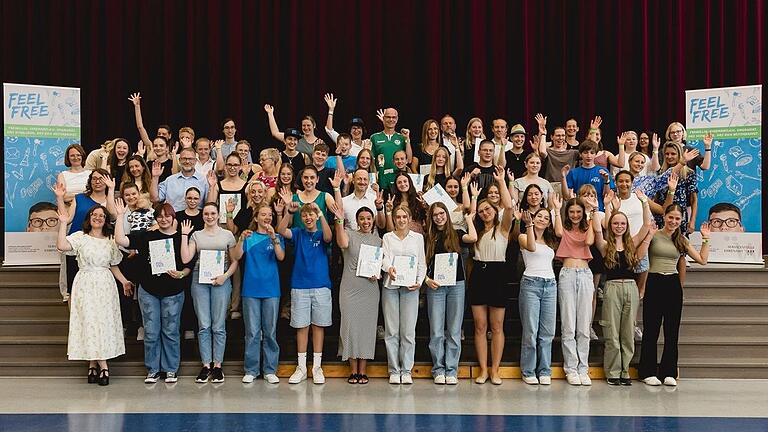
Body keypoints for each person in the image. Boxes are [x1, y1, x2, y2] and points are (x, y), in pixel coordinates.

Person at [114, 201, 192, 384]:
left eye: (167, 216)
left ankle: (171, 369)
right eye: (160, 216)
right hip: (148, 291)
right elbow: (121, 240)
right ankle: (153, 369)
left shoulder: (182, 237)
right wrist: (119, 216)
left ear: (173, 218)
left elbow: (188, 265)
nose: (163, 219)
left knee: (171, 331)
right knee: (151, 331)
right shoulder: (147, 236)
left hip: (173, 291)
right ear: (155, 218)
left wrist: (181, 273)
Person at [56, 204, 131, 386]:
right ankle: (103, 366)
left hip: (105, 284)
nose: (98, 218)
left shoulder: (110, 241)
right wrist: (63, 223)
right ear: (89, 218)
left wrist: (124, 281)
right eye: (94, 215)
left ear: (105, 221)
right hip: (85, 283)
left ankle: (92, 364)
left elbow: (113, 265)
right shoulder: (80, 237)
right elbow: (61, 245)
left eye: (102, 216)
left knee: (102, 323)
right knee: (89, 322)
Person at [640, 204, 710, 387]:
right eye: (671, 217)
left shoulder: (682, 240)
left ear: (681, 221)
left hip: (672, 285)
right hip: (654, 283)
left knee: (672, 332)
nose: (673, 221)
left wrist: (706, 239)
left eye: (677, 219)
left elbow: (702, 260)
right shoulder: (654, 235)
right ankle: (647, 371)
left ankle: (669, 371)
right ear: (665, 217)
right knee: (651, 330)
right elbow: (641, 258)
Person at [593, 210, 654, 386]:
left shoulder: (631, 243)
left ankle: (624, 371)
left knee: (628, 332)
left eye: (622, 223)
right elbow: (597, 230)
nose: (619, 226)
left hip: (630, 287)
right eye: (615, 223)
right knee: (612, 332)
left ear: (626, 226)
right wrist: (600, 208)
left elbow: (645, 225)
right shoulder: (605, 245)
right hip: (612, 288)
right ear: (610, 225)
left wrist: (644, 203)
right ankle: (612, 371)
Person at [276, 201, 333, 385]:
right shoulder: (298, 233)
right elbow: (281, 229)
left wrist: (321, 213)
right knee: (302, 326)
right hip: (300, 285)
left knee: (318, 325)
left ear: (316, 216)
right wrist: (289, 213)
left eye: (312, 214)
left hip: (321, 285)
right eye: (305, 215)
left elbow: (328, 237)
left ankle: (317, 366)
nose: (308, 218)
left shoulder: (320, 232)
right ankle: (301, 367)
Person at [180, 203, 238, 384]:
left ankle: (218, 366)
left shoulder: (227, 235)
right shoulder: (196, 235)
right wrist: (184, 235)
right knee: (204, 325)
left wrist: (225, 276)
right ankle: (206, 365)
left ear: (218, 215)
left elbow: (235, 260)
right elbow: (186, 258)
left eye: (213, 213)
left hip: (221, 279)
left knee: (218, 325)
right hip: (200, 280)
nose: (210, 216)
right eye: (206, 214)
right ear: (203, 216)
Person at [469, 167, 515, 385]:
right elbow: (469, 213)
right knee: (480, 325)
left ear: (494, 211)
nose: (484, 212)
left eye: (488, 209)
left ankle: (495, 370)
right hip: (479, 273)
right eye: (481, 211)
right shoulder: (475, 232)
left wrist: (502, 181)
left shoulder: (503, 228)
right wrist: (473, 198)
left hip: (498, 274)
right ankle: (483, 369)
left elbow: (510, 206)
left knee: (497, 326)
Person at [329, 204, 383, 384]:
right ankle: (353, 370)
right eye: (362, 219)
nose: (366, 222)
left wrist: (380, 272)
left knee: (367, 329)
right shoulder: (349, 234)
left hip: (370, 289)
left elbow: (382, 263)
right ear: (357, 221)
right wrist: (339, 220)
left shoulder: (379, 240)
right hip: (350, 289)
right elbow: (342, 243)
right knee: (350, 327)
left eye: (369, 218)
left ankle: (363, 369)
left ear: (373, 220)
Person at [424, 203, 477, 384]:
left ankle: (451, 370)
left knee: (454, 330)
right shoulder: (428, 237)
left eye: (441, 214)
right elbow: (421, 262)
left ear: (447, 215)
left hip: (456, 285)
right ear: (431, 218)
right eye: (435, 215)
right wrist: (426, 279)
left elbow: (473, 237)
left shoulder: (457, 233)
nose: (439, 217)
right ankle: (438, 369)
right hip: (435, 286)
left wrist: (469, 219)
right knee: (437, 330)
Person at [231, 205, 285, 384]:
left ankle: (270, 369)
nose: (267, 217)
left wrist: (273, 238)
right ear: (256, 218)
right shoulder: (249, 236)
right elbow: (237, 256)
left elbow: (281, 257)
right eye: (263, 214)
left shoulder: (276, 237)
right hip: (251, 290)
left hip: (271, 290)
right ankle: (251, 369)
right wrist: (240, 240)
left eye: (270, 215)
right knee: (252, 332)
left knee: (270, 331)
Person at [381, 205, 427, 385]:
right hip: (390, 287)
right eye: (397, 217)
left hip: (410, 288)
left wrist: (419, 281)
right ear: (393, 219)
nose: (401, 220)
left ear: (409, 219)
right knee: (392, 331)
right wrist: (388, 268)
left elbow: (421, 263)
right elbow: (384, 258)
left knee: (408, 331)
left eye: (404, 217)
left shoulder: (417, 238)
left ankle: (406, 370)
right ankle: (394, 369)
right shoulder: (387, 237)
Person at [555, 197, 595, 386]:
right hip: (567, 274)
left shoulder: (588, 228)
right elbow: (556, 231)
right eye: (572, 212)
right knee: (569, 325)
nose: (575, 215)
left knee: (584, 326)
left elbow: (589, 241)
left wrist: (591, 214)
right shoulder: (563, 228)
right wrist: (556, 209)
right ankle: (571, 368)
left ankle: (583, 368)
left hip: (585, 274)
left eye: (579, 211)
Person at [517, 208, 559, 385]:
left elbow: (560, 232)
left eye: (546, 218)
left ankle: (544, 370)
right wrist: (529, 225)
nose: (542, 219)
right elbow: (532, 247)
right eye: (539, 216)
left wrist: (556, 210)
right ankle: (528, 370)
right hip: (531, 284)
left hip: (550, 285)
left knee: (547, 332)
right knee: (531, 331)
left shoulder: (550, 241)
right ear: (533, 218)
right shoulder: (523, 235)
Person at [150, 147, 212, 212]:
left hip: (196, 219)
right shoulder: (170, 180)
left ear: (195, 161)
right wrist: (155, 177)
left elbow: (209, 205)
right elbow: (154, 199)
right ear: (179, 160)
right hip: (174, 219)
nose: (187, 161)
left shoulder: (204, 181)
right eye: (184, 159)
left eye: (190, 159)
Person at [562, 139, 617, 211]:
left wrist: (606, 181)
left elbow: (607, 196)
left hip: (599, 210)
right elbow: (566, 197)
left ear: (596, 154)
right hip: (579, 212)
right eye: (585, 153)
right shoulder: (573, 172)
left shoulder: (603, 171)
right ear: (580, 154)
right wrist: (563, 177)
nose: (589, 156)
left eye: (592, 153)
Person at [371, 108, 413, 190]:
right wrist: (374, 178)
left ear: (397, 119)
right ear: (383, 119)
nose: (391, 119)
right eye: (388, 117)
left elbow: (409, 160)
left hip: (399, 181)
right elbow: (372, 162)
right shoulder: (374, 137)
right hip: (382, 180)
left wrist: (407, 139)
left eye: (393, 117)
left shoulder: (402, 137)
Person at [538, 117, 578, 192]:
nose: (560, 138)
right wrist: (543, 133)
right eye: (558, 135)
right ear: (552, 137)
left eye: (563, 135)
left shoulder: (572, 153)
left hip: (568, 187)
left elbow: (590, 150)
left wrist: (593, 130)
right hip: (551, 187)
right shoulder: (549, 152)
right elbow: (542, 152)